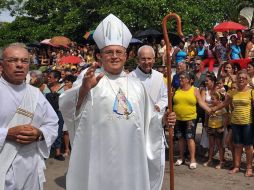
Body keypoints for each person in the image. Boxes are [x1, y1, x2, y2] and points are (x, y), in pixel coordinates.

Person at [60, 14, 176, 190]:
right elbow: (69, 110)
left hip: (131, 160)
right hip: (99, 158)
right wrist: (84, 90)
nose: (114, 56)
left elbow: (149, 120)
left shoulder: (137, 86)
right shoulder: (90, 78)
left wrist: (162, 120)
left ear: (126, 55)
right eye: (109, 52)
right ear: (99, 55)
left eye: (119, 52)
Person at [0, 43, 58, 189]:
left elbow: (52, 123)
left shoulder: (35, 93)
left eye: (24, 61)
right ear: (2, 64)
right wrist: (6, 133)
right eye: (13, 60)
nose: (19, 65)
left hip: (31, 168)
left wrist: (39, 133)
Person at [173, 71, 211, 169]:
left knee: (190, 138)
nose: (180, 79)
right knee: (180, 138)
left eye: (182, 78)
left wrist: (210, 110)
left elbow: (201, 102)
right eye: (180, 78)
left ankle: (193, 159)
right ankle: (181, 157)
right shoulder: (177, 89)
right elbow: (172, 102)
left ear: (189, 80)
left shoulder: (195, 90)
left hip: (190, 118)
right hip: (178, 118)